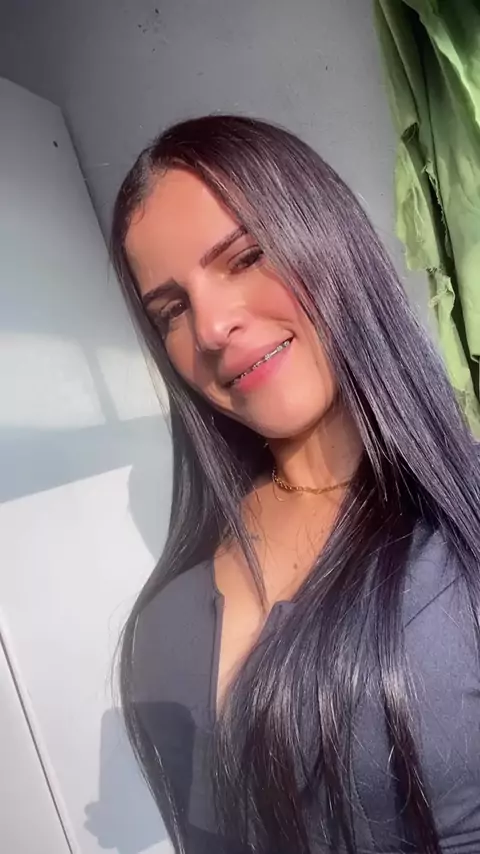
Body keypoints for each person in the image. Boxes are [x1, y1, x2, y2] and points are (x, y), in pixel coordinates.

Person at [111, 115, 480, 854]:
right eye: (172, 310)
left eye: (245, 256)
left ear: (327, 238)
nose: (210, 328)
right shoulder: (176, 602)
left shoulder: (458, 523)